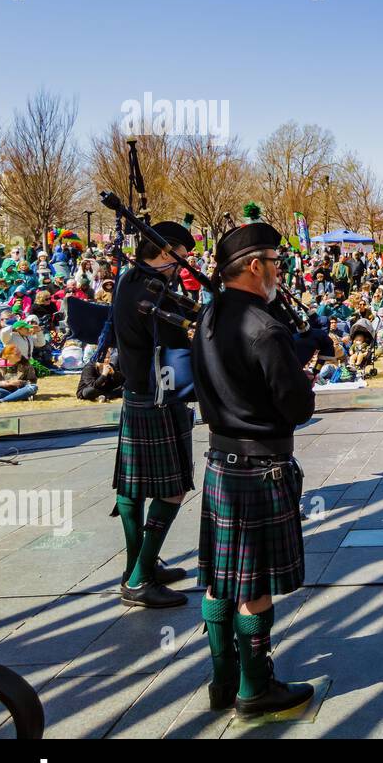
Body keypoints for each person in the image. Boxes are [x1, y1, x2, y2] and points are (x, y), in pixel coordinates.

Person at [192, 220, 317, 718]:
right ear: (253, 266)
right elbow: (296, 407)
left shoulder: (207, 318)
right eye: (276, 263)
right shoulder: (265, 328)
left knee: (219, 579)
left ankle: (222, 679)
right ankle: (255, 688)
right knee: (255, 586)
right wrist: (304, 369)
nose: (279, 272)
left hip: (221, 462)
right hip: (260, 468)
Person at [110, 220, 197, 610]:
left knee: (132, 487)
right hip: (159, 395)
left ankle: (137, 566)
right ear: (165, 252)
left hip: (136, 391)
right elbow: (181, 346)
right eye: (180, 257)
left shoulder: (129, 279)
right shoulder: (156, 291)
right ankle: (140, 577)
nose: (183, 266)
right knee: (171, 489)